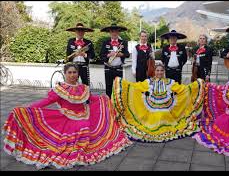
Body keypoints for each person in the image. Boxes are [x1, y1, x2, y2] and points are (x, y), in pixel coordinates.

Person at [2, 63, 132, 169]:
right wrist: (28, 108)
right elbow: (46, 101)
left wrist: (104, 98)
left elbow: (92, 98)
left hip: (85, 115)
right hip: (67, 119)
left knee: (90, 127)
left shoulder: (83, 88)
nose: (72, 75)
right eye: (69, 72)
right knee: (73, 136)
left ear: (78, 73)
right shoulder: (61, 89)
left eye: (74, 72)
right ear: (65, 74)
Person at [112, 63, 205, 142]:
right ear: (154, 71)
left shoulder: (170, 82)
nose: (159, 72)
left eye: (161, 70)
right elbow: (135, 86)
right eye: (157, 70)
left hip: (167, 113)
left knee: (163, 116)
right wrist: (120, 82)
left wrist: (197, 84)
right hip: (151, 114)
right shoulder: (148, 82)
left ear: (164, 72)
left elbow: (183, 89)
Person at [100, 23, 130, 97]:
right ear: (110, 32)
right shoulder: (105, 42)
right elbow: (101, 55)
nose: (114, 33)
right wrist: (109, 55)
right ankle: (109, 105)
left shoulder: (123, 42)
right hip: (108, 68)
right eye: (112, 31)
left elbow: (127, 54)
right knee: (108, 88)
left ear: (118, 32)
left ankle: (118, 106)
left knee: (119, 88)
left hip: (119, 68)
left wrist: (120, 54)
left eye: (116, 31)